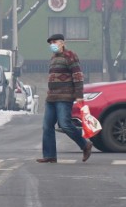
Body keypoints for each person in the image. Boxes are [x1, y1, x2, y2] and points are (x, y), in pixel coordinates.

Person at [37, 33, 92, 163]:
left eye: (54, 42)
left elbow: (78, 75)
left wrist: (79, 95)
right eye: (50, 43)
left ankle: (85, 145)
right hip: (51, 98)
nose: (52, 45)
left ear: (62, 42)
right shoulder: (53, 58)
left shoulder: (70, 56)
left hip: (65, 96)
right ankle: (49, 155)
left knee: (65, 124)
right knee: (47, 126)